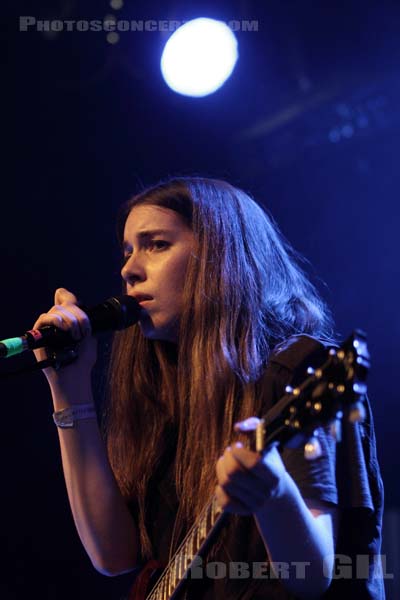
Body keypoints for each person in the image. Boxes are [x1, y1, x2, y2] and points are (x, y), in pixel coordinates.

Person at [33, 177, 384, 599]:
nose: (128, 268)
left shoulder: (298, 369)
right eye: (127, 251)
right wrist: (69, 389)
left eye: (156, 244)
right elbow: (112, 555)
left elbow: (314, 575)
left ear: (221, 258)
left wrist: (273, 494)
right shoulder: (161, 393)